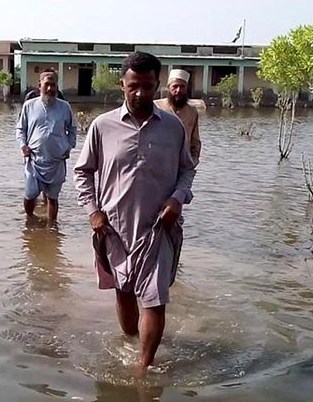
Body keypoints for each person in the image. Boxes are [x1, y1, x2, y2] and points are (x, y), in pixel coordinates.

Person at [73, 52, 196, 373]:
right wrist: (92, 211)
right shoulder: (102, 126)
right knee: (124, 292)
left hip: (158, 227)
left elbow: (187, 169)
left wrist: (178, 198)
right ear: (122, 85)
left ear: (158, 85)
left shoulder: (173, 127)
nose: (141, 93)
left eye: (148, 86)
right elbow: (82, 172)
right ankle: (131, 341)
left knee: (155, 298)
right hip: (113, 228)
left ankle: (144, 368)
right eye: (134, 86)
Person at [16, 70, 77, 222]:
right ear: (39, 86)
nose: (50, 89)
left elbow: (73, 129)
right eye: (47, 85)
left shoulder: (65, 107)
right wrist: (23, 146)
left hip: (56, 161)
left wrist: (69, 147)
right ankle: (29, 221)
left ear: (57, 87)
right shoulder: (29, 106)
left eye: (53, 85)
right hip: (34, 160)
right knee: (30, 195)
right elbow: (20, 129)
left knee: (52, 198)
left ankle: (51, 228)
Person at [154, 69, 201, 166]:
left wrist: (193, 161)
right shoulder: (156, 107)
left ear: (187, 88)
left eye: (182, 87)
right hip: (158, 164)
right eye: (175, 86)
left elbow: (195, 142)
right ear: (169, 87)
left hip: (183, 165)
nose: (178, 90)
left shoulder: (192, 112)